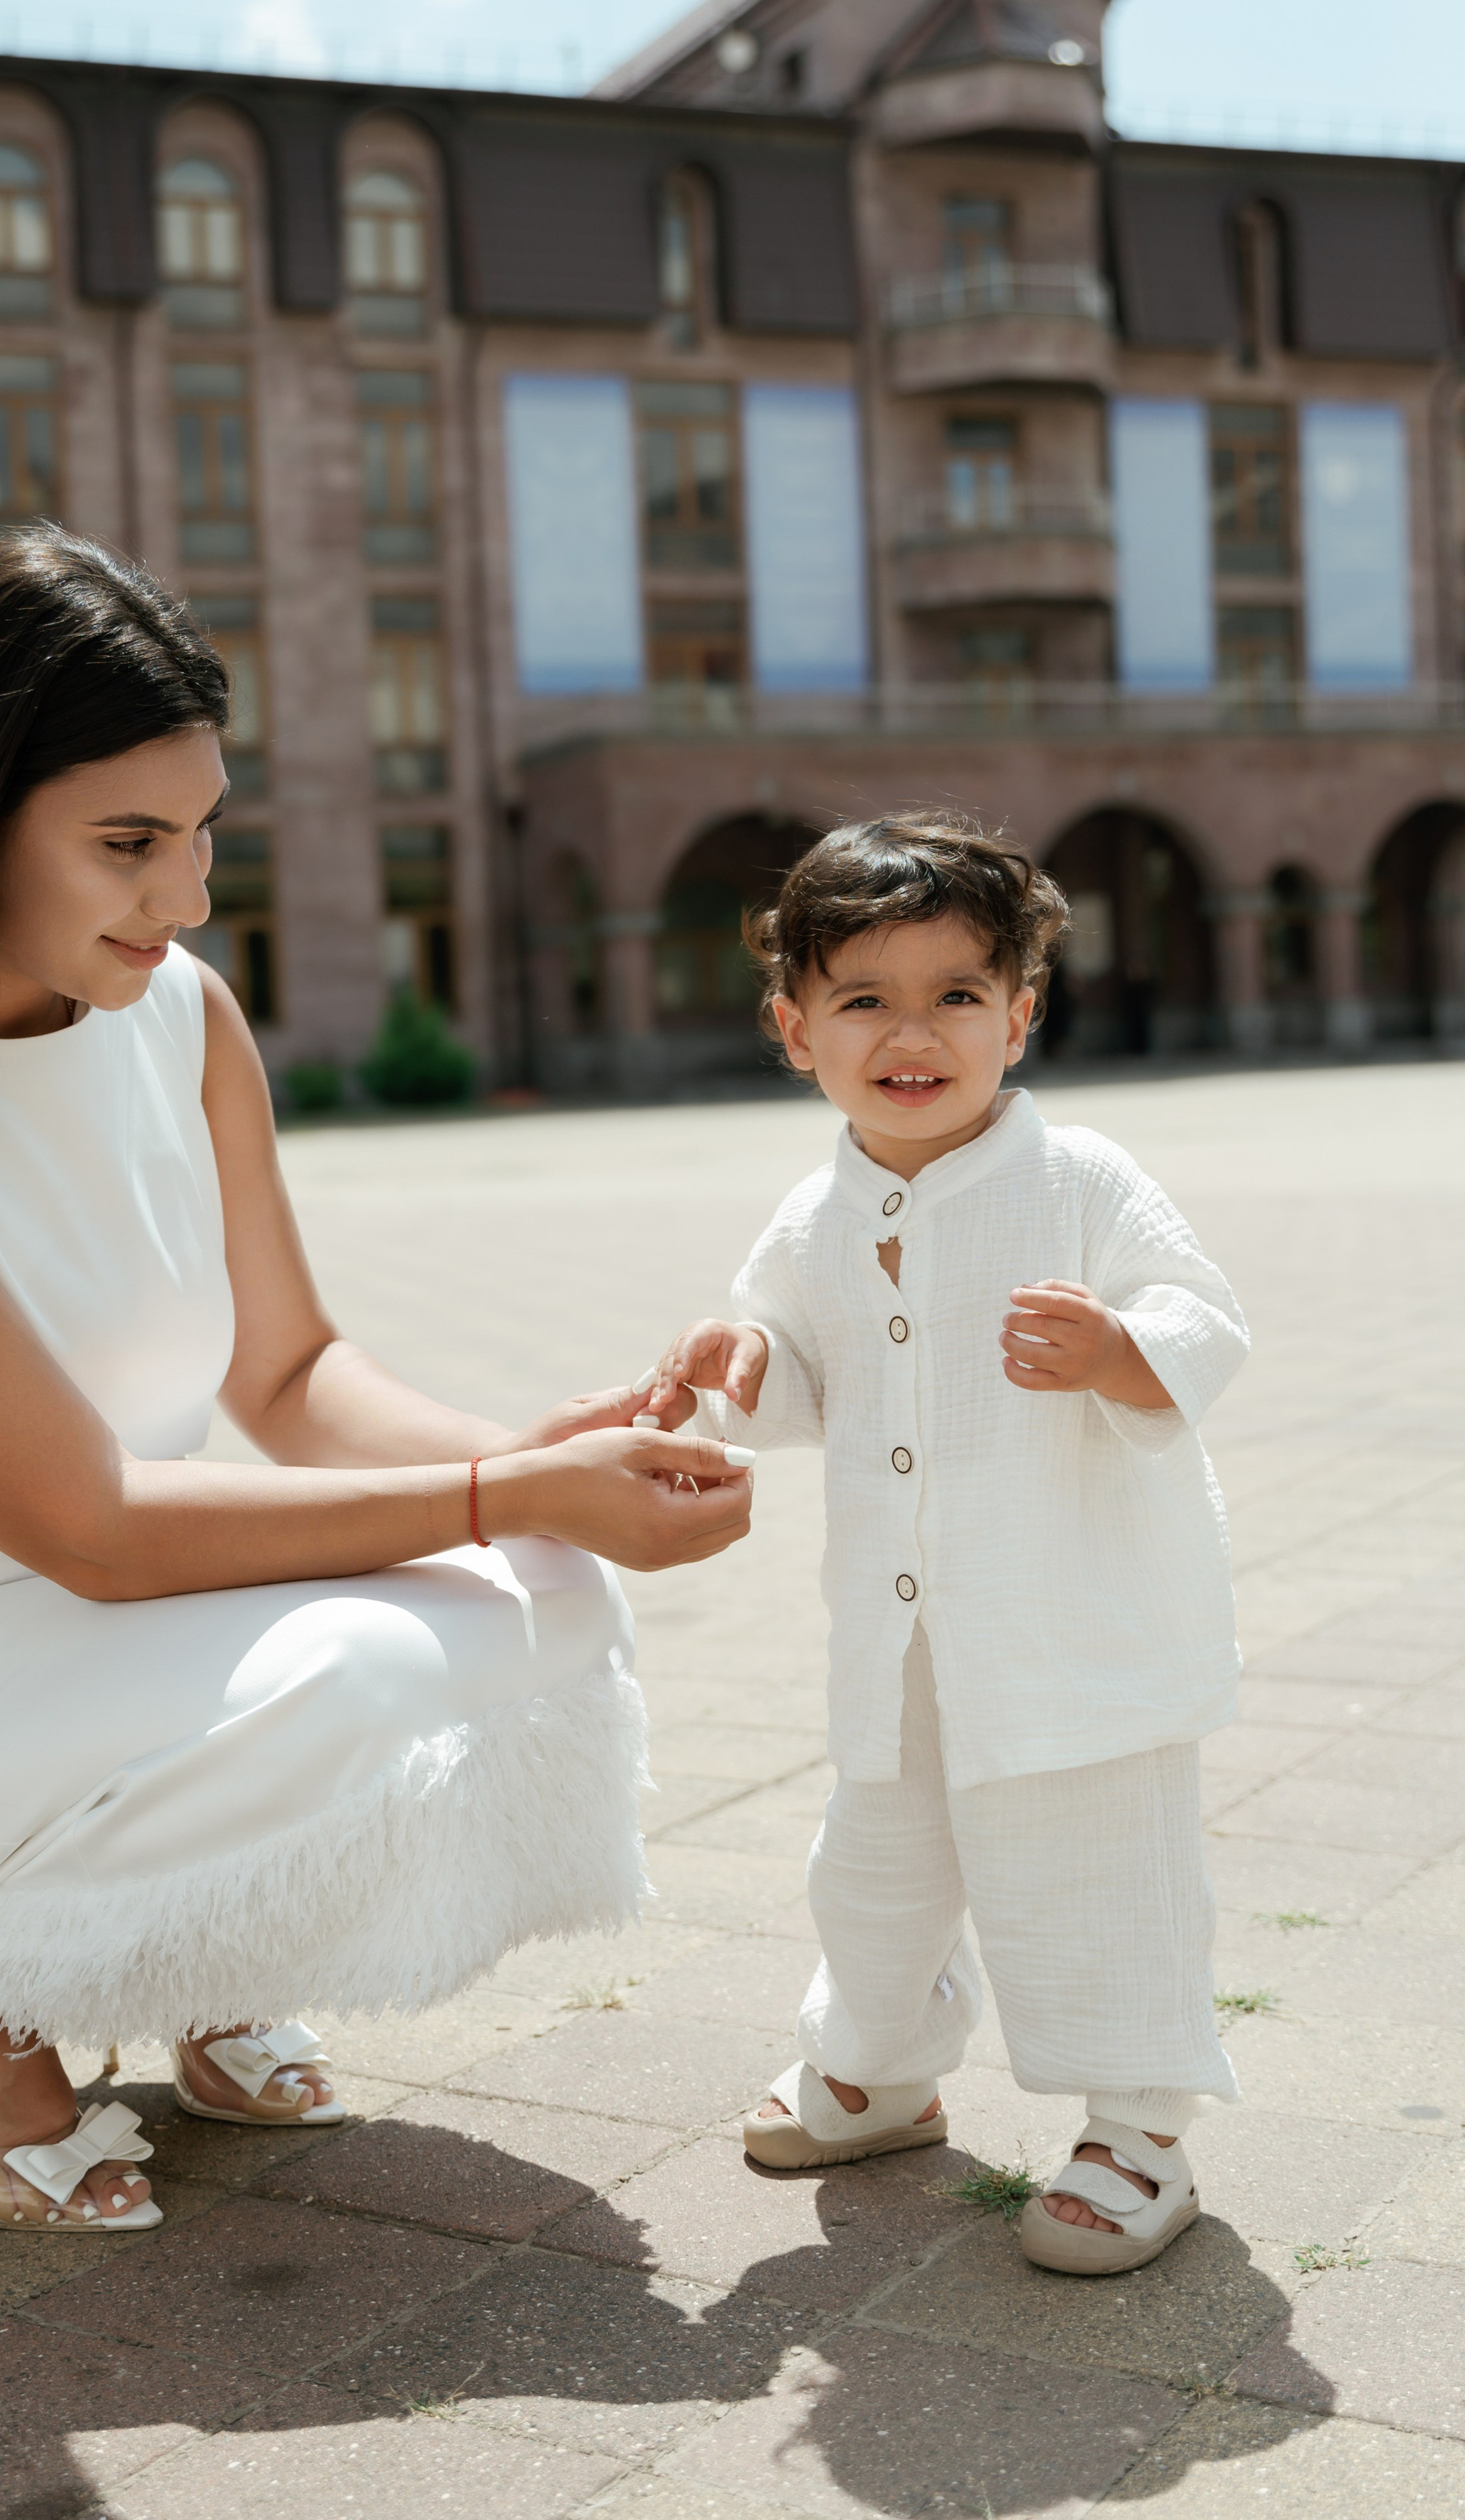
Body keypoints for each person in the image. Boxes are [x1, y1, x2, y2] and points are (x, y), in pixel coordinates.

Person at [0, 530, 753, 2238]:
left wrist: (548, 1462)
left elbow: (292, 1371)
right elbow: (91, 1527)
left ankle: (194, 1935)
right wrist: (498, 1494)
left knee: (539, 1595)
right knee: (357, 1669)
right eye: (127, 843)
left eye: (204, 832)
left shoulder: (181, 1019)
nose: (186, 896)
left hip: (101, 1622)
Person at [640, 813, 1246, 2278]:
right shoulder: (810, 1213)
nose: (911, 1033)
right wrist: (739, 1362)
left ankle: (1135, 2125)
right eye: (863, 999)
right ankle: (878, 2062)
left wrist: (1120, 1351)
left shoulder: (1081, 1180)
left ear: (1018, 1015)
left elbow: (1202, 1318)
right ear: (795, 1029)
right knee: (874, 1862)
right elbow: (794, 1370)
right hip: (898, 1631)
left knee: (1091, 1869)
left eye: (954, 995)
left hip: (1071, 1631)